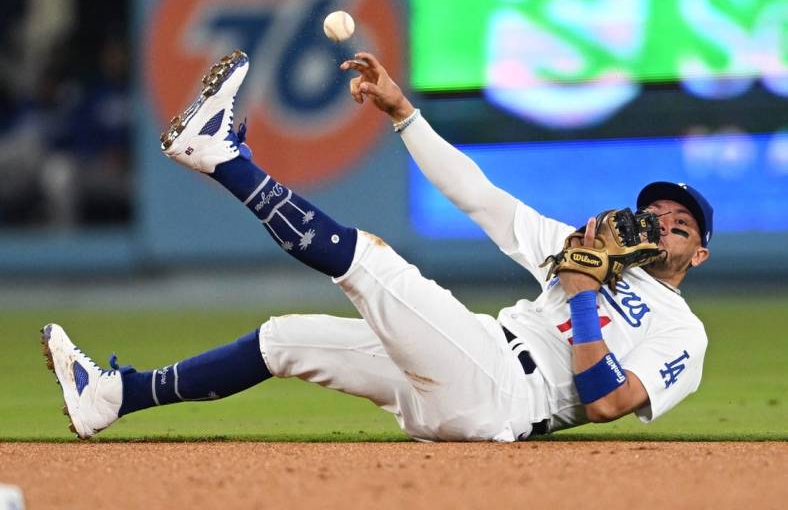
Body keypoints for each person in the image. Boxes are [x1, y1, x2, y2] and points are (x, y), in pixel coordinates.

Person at [42, 50, 713, 441]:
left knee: (371, 261)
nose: (663, 217)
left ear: (699, 254)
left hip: (506, 395)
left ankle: (220, 158)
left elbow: (607, 404)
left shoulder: (680, 331)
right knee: (283, 339)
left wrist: (583, 297)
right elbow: (476, 194)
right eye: (655, 209)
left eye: (681, 221)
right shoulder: (582, 248)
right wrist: (403, 113)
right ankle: (114, 396)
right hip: (469, 365)